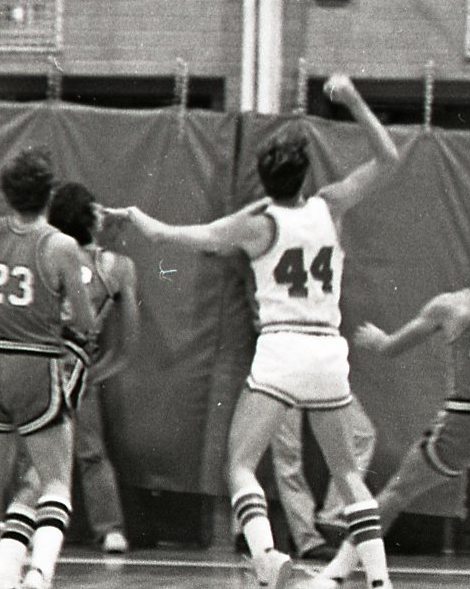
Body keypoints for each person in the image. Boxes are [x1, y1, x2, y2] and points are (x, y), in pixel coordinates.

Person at [107, 73, 402, 589]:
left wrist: (136, 216)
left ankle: (267, 558)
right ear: (304, 175)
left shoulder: (256, 224)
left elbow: (172, 236)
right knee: (348, 475)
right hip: (327, 351)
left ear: (263, 179)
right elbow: (388, 158)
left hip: (281, 348)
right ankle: (380, 580)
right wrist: (354, 100)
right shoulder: (330, 205)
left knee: (241, 464)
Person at [297, 232, 470, 589]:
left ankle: (335, 573)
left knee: (397, 492)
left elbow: (392, 347)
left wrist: (378, 340)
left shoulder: (452, 305)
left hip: (465, 420)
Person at [0, 148, 94, 589]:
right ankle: (39, 575)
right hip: (34, 363)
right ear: (50, 193)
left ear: (7, 194)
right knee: (55, 481)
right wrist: (62, 308)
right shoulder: (60, 245)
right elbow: (85, 322)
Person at [48, 180, 140, 556]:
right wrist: (105, 367)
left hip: (41, 361)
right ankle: (111, 529)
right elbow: (129, 339)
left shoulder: (45, 254)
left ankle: (22, 522)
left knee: (33, 450)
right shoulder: (117, 267)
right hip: (78, 366)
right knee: (90, 451)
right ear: (90, 219)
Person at [272, 395, 376, 561]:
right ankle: (306, 538)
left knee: (362, 434)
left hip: (324, 379)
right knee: (288, 454)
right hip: (282, 380)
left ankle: (330, 519)